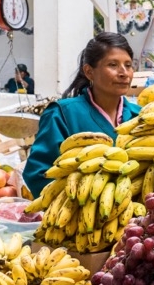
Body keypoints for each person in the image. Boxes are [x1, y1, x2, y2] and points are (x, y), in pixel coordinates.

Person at [24, 32, 141, 198]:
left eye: (128, 65)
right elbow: (38, 174)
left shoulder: (141, 117)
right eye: (113, 65)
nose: (124, 73)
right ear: (89, 71)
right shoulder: (62, 114)